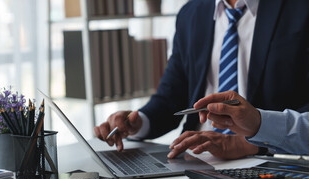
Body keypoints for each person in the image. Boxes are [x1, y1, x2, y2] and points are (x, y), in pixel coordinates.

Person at [94, 0, 309, 160]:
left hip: (267, 161)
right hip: (194, 157)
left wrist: (249, 144)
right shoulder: (191, 14)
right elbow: (170, 97)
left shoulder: (300, 9)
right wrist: (136, 122)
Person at [182, 91, 309, 155]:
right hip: (195, 148)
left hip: (267, 153)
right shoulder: (187, 38)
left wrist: (247, 142)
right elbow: (168, 98)